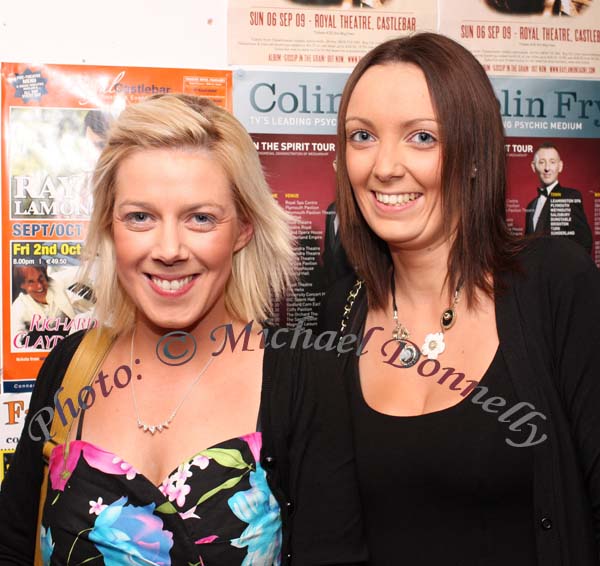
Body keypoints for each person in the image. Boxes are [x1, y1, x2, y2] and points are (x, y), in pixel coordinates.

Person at [0, 94, 366, 565]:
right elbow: (12, 545)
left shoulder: (307, 379)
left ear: (244, 228)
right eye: (140, 217)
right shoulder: (68, 367)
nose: (169, 249)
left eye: (201, 218)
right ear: (111, 228)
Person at [318, 33, 600, 565]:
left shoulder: (558, 285)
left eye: (422, 137)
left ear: (474, 155)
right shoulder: (342, 312)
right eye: (362, 136)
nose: (384, 166)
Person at [524, 142, 592, 253]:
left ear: (560, 166)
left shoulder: (570, 196)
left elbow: (585, 242)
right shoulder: (531, 205)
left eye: (552, 162)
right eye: (541, 162)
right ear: (533, 166)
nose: (547, 168)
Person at [10, 264, 95, 350]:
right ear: (22, 285)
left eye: (41, 278)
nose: (39, 286)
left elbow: (87, 271)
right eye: (31, 282)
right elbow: (16, 347)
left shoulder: (57, 281)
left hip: (74, 340)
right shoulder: (18, 308)